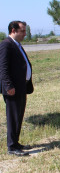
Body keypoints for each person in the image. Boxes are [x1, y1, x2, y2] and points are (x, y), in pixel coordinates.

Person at [0, 21, 34, 156]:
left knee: (19, 116)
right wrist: (8, 86)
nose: (25, 34)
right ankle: (12, 146)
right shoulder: (6, 45)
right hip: (12, 88)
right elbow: (3, 68)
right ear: (14, 30)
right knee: (13, 117)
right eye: (23, 31)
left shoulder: (17, 45)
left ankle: (16, 142)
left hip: (21, 87)